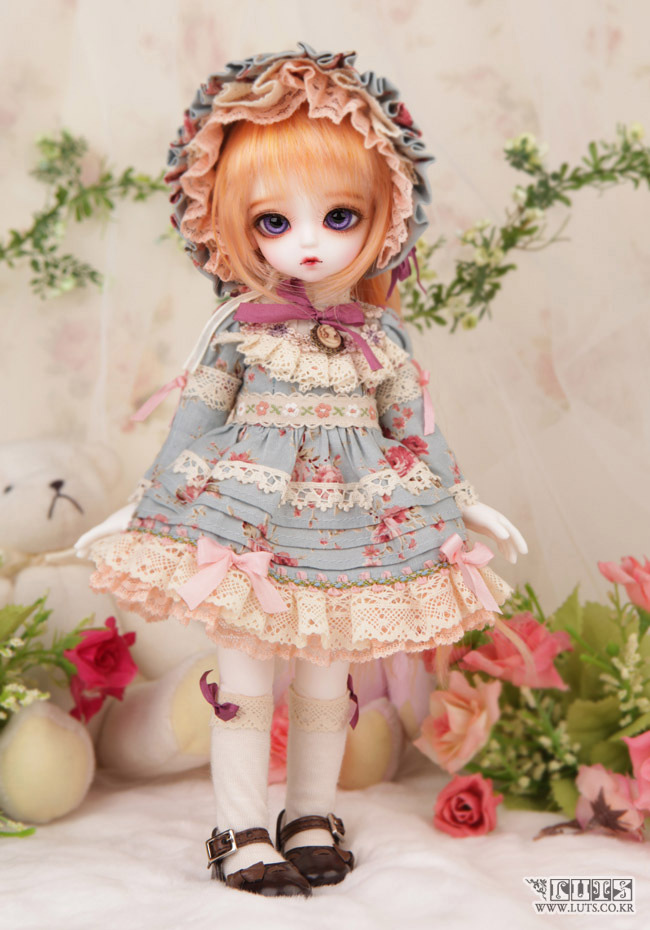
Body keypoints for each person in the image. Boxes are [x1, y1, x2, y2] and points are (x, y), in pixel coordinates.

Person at [76, 44, 527, 897]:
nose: (310, 243)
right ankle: (239, 827)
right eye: (275, 222)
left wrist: (464, 505)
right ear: (228, 225)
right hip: (248, 525)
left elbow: (415, 431)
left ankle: (311, 814)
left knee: (329, 678)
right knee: (244, 678)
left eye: (340, 216)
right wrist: (143, 507)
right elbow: (193, 425)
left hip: (352, 533)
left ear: (385, 216)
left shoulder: (379, 339)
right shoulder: (238, 330)